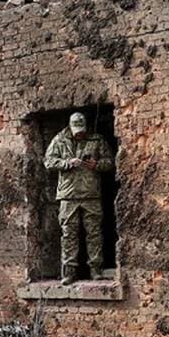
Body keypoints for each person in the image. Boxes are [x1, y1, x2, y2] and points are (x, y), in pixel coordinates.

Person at [44, 112, 115, 283]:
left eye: (82, 130)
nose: (79, 134)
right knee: (69, 234)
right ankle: (69, 272)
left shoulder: (96, 140)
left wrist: (97, 165)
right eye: (76, 130)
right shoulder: (59, 140)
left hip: (91, 194)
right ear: (70, 126)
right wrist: (67, 163)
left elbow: (111, 161)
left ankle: (95, 270)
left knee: (94, 233)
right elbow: (48, 161)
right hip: (68, 196)